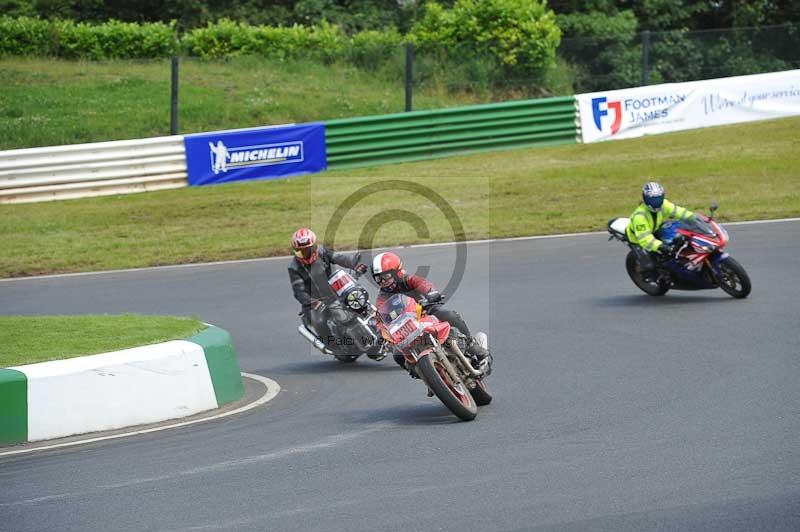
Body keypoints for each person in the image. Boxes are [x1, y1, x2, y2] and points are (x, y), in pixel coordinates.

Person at [370, 251, 490, 371]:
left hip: (425, 312)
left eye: (386, 277)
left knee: (449, 314)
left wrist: (431, 293)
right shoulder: (383, 297)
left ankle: (471, 344)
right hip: (407, 327)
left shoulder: (408, 280)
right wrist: (381, 332)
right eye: (378, 279)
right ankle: (425, 376)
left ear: (397, 272)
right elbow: (381, 317)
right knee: (397, 355)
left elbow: (422, 283)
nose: (382, 282)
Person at [288, 228, 369, 351]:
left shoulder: (322, 251)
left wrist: (354, 263)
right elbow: (299, 292)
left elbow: (338, 258)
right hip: (315, 301)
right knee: (319, 321)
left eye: (308, 250)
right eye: (300, 252)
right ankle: (333, 346)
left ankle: (374, 322)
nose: (305, 254)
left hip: (334, 290)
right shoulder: (294, 267)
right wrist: (313, 302)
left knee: (357, 297)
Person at [626, 181, 695, 278]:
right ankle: (657, 275)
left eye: (658, 199)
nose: (656, 202)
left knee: (680, 233)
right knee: (650, 265)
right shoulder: (639, 216)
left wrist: (694, 218)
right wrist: (662, 247)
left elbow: (679, 211)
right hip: (639, 239)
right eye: (653, 200)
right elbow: (645, 240)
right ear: (646, 199)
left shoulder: (664, 204)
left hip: (655, 229)